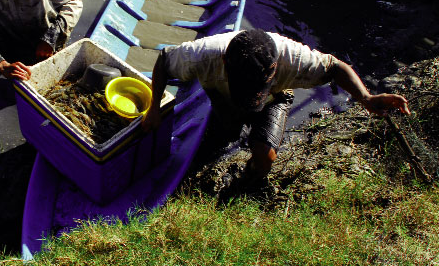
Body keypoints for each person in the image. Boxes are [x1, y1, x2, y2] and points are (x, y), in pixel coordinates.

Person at [142, 29, 410, 184]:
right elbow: (163, 61)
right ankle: (226, 134)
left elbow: (337, 68)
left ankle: (246, 180)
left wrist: (366, 98)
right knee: (220, 139)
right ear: (225, 64)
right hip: (223, 97)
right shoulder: (204, 55)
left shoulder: (294, 59)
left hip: (275, 98)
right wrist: (154, 107)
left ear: (274, 71)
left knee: (265, 157)